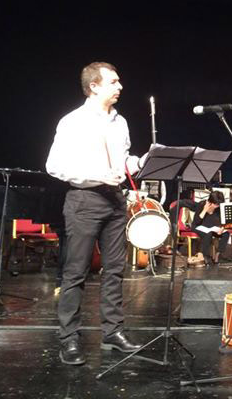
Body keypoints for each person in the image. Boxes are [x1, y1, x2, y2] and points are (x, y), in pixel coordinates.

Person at [46, 62, 144, 366]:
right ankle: (69, 339)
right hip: (85, 199)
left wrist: (139, 163)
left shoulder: (121, 122)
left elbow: (122, 161)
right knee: (76, 272)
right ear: (95, 86)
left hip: (115, 200)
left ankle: (113, 332)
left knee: (115, 269)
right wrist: (96, 174)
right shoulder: (73, 122)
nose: (120, 86)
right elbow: (54, 165)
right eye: (114, 82)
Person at [189, 191, 230, 266]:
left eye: (218, 204)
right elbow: (197, 221)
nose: (217, 206)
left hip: (212, 227)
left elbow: (221, 221)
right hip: (199, 226)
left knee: (226, 234)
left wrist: (221, 228)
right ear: (210, 201)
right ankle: (205, 256)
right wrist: (204, 210)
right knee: (208, 234)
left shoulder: (218, 208)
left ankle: (217, 254)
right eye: (216, 204)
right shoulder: (202, 204)